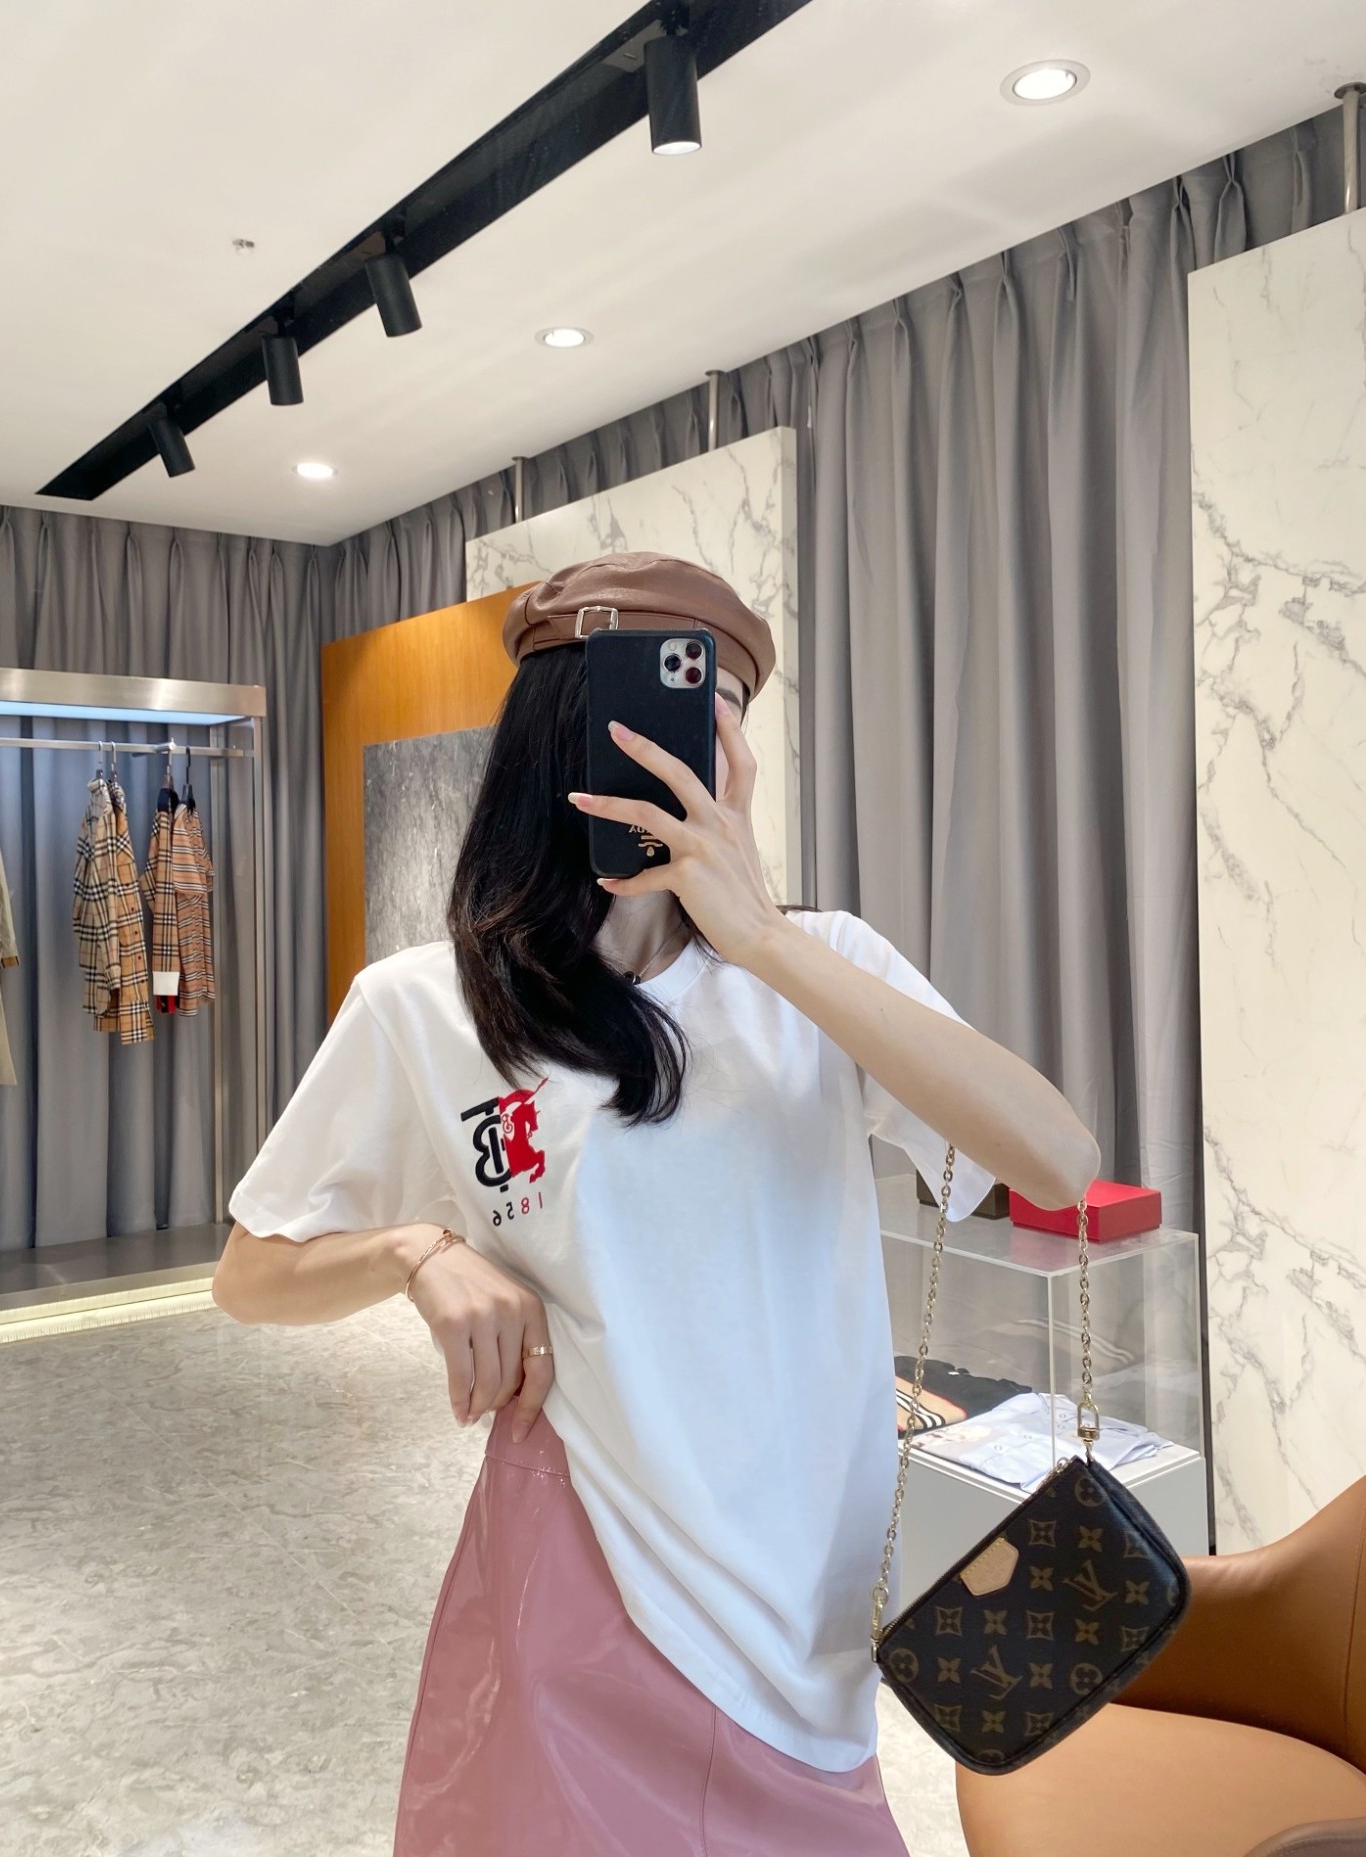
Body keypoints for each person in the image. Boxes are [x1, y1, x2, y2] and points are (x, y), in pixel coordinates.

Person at [212, 552, 1099, 1857]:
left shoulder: (821, 967)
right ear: (558, 734)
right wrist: (417, 1249)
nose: (693, 750)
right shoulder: (423, 1004)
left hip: (804, 1604)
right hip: (581, 1574)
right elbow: (250, 1272)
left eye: (720, 713)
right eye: (667, 706)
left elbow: (1059, 1162)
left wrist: (764, 940)